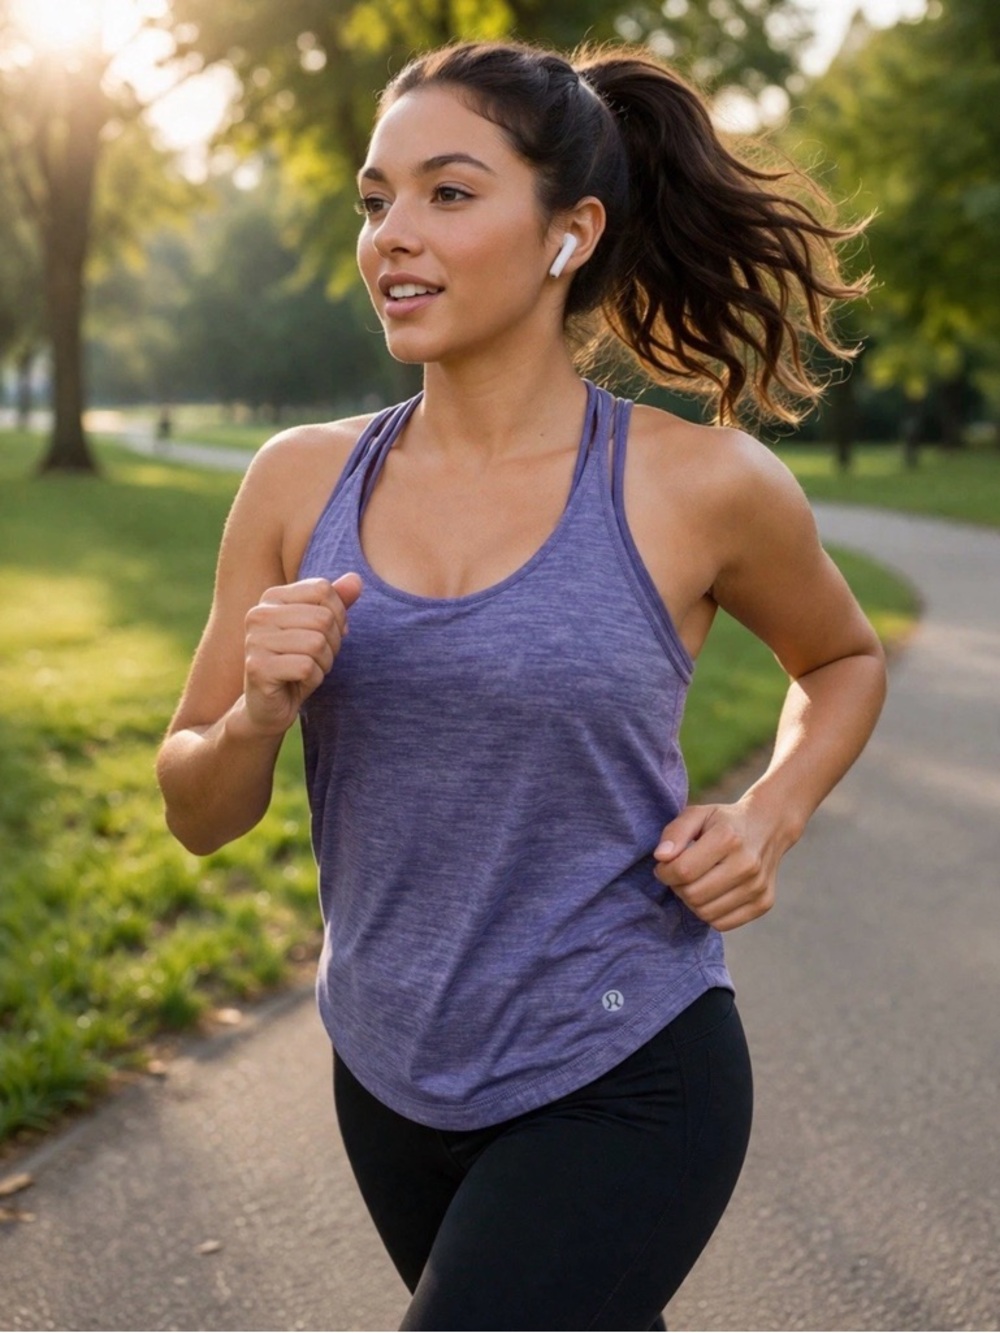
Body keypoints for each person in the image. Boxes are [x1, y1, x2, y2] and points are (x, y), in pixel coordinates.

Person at [156, 38, 887, 1332]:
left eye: (449, 192)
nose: (393, 234)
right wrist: (258, 716)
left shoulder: (698, 485)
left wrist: (770, 813)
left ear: (570, 232)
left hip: (623, 1065)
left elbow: (840, 658)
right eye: (376, 200)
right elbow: (197, 808)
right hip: (386, 1074)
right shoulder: (297, 482)